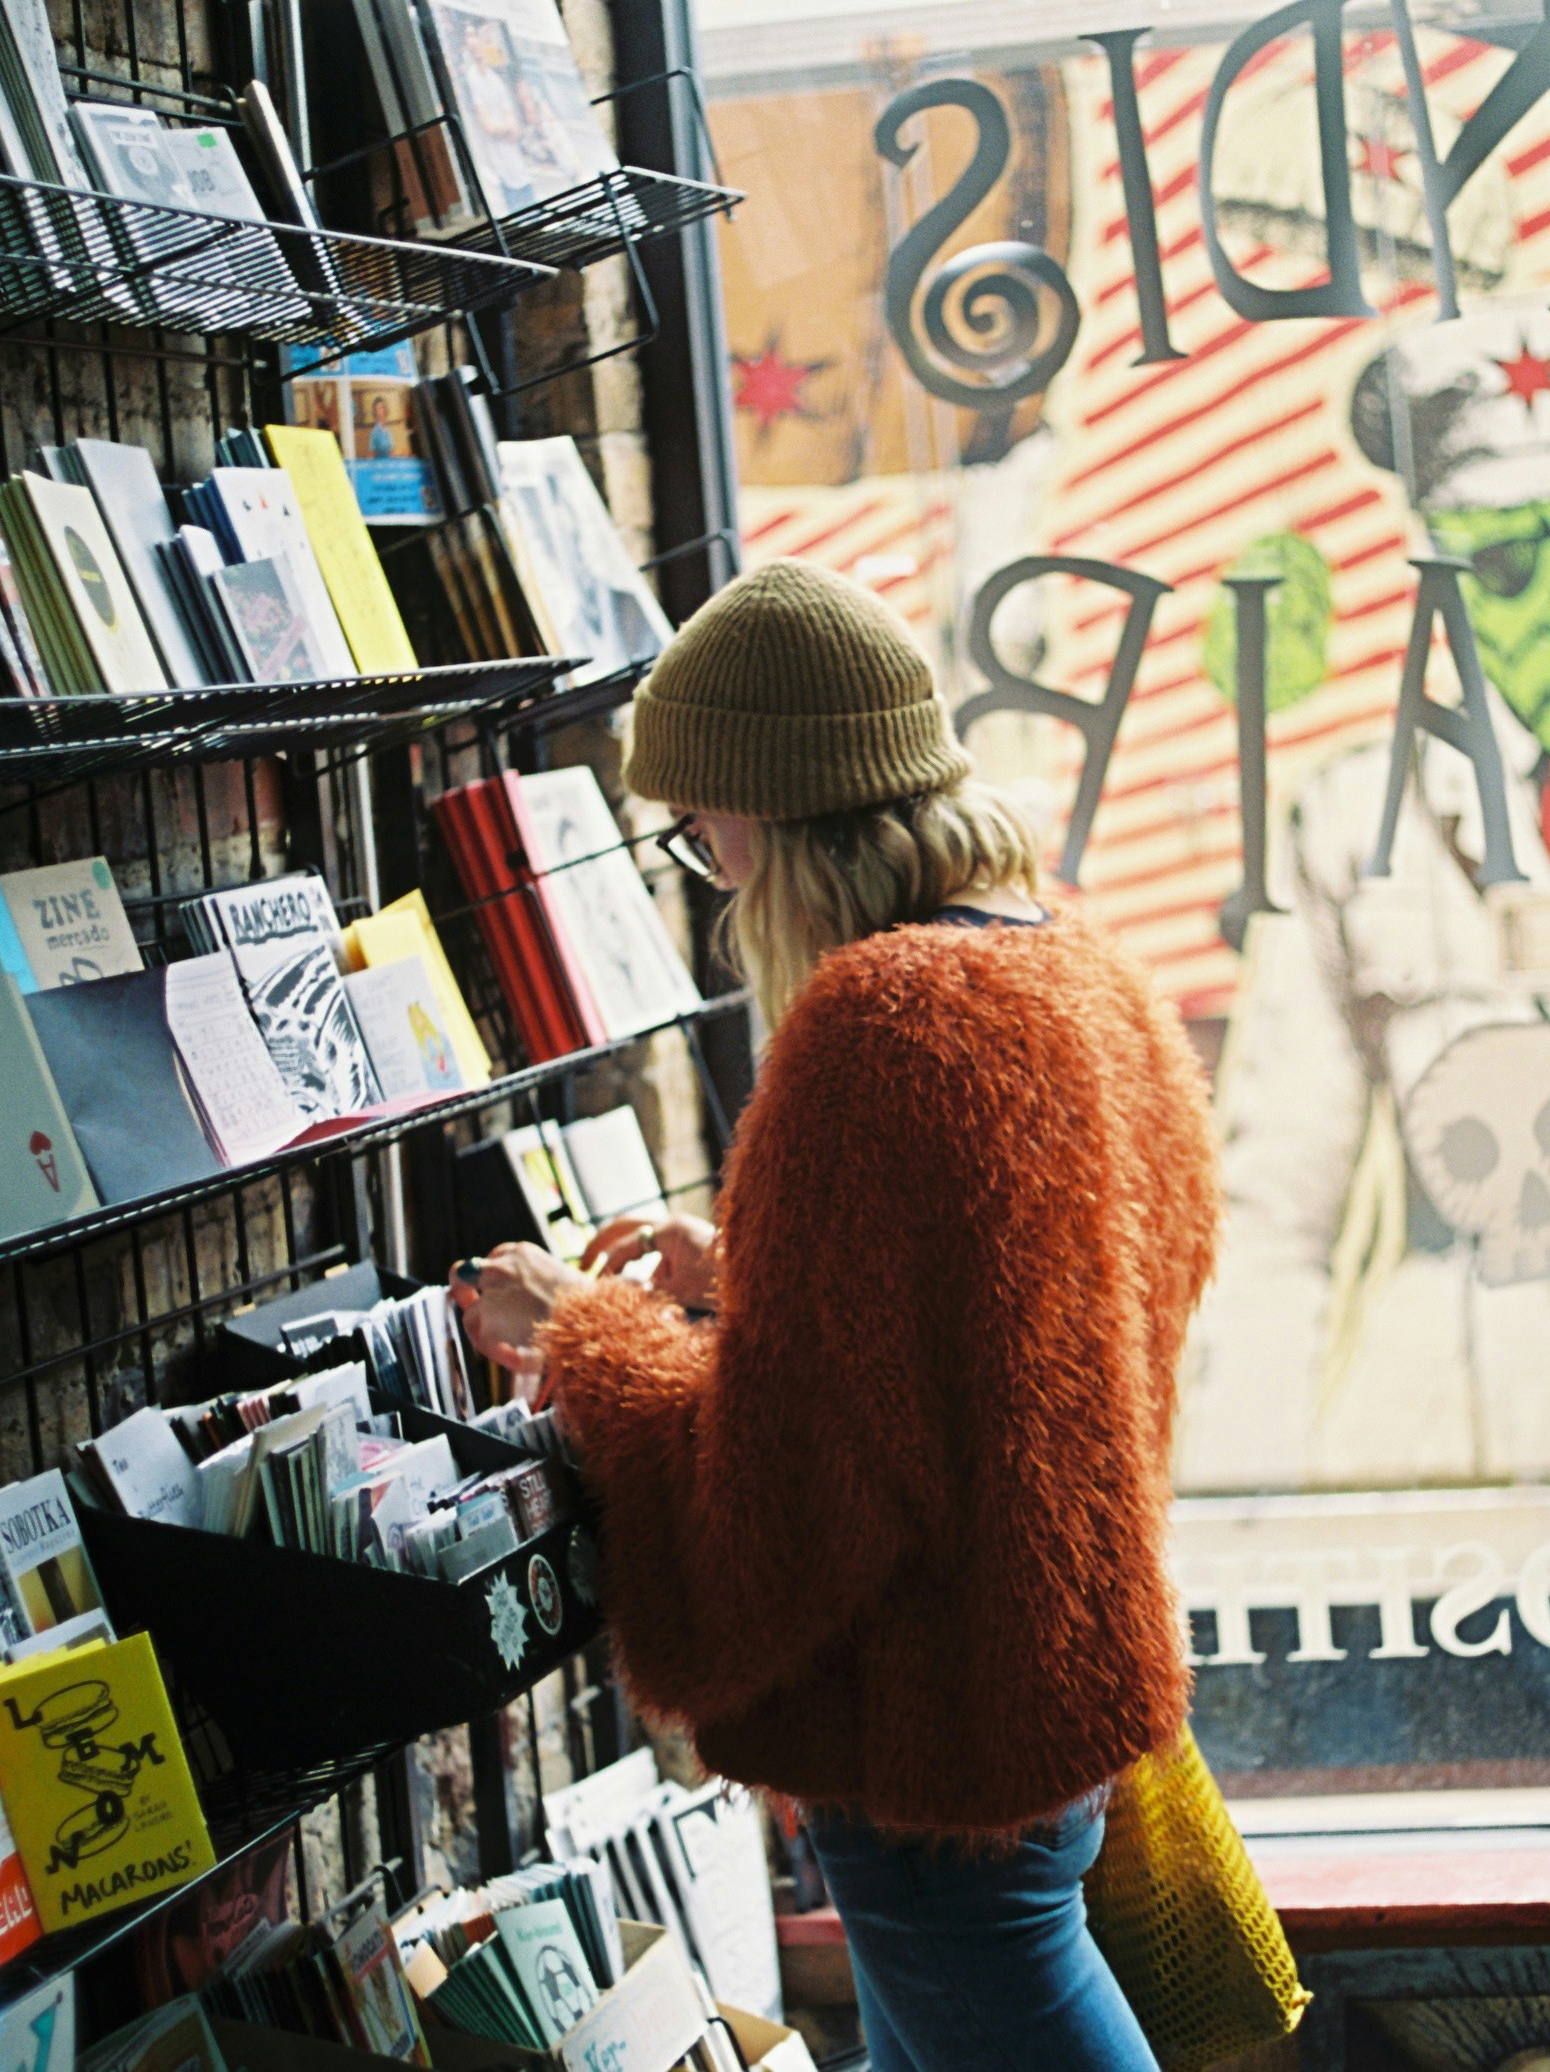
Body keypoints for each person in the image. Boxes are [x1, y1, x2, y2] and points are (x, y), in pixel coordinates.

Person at [451, 559, 1215, 2072]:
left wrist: (584, 1332)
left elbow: (795, 1493)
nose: (709, 872)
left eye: (701, 828)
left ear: (774, 810)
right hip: (1045, 1672)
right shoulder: (1077, 973)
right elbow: (1025, 1310)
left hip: (928, 1718)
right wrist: (754, 1270)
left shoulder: (876, 1025)